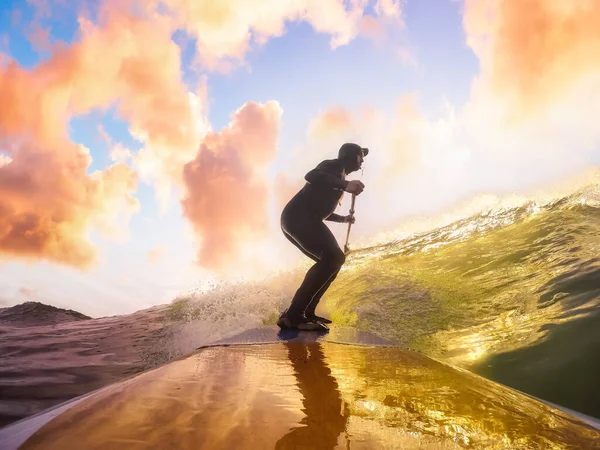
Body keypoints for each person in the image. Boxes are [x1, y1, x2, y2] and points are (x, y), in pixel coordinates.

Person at [277, 142, 368, 331]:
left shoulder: (339, 177)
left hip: (300, 219)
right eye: (361, 155)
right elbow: (311, 175)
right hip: (298, 217)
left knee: (334, 261)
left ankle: (306, 312)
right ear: (350, 155)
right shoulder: (334, 166)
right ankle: (293, 316)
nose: (362, 160)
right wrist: (345, 184)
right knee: (333, 258)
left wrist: (344, 219)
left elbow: (322, 210)